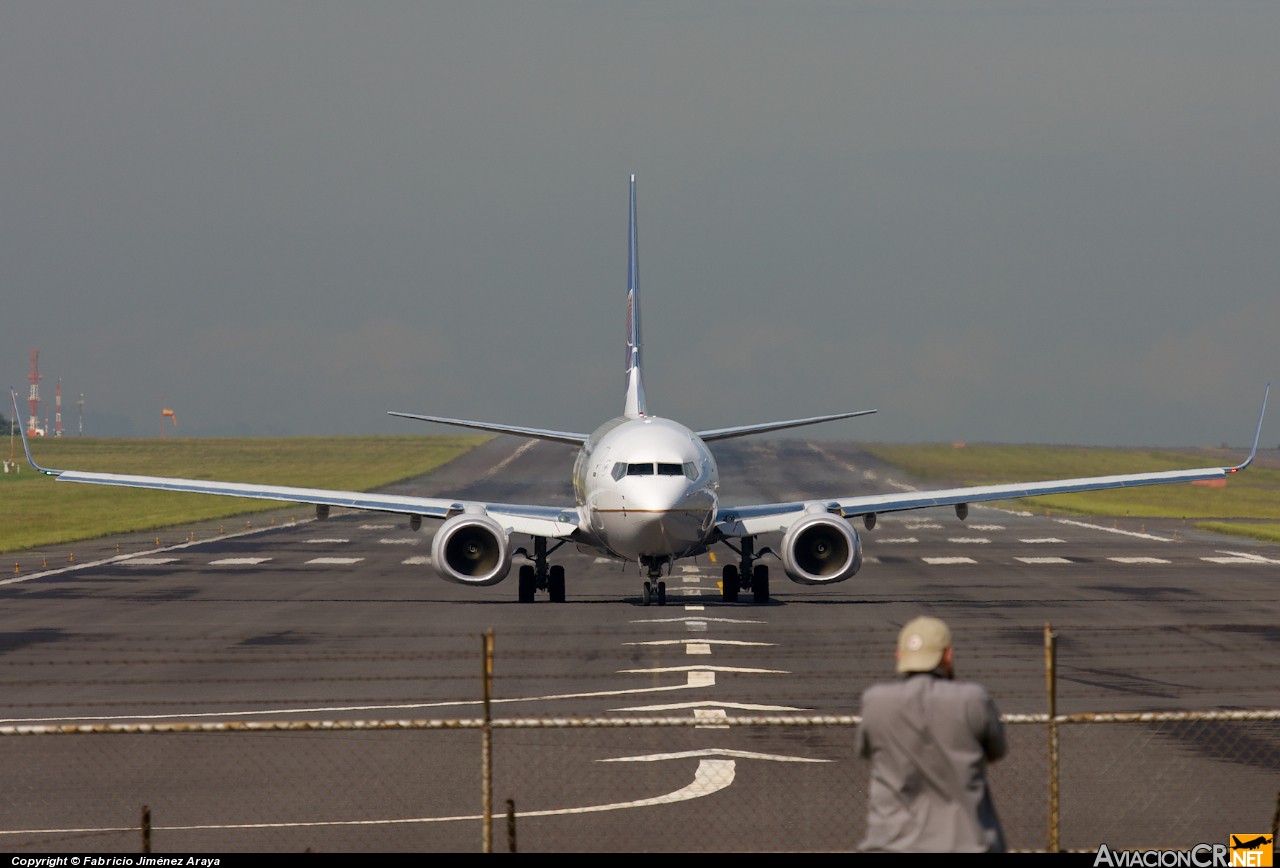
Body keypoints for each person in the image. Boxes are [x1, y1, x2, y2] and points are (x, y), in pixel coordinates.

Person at [856, 615, 1007, 853]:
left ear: (899, 655)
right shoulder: (972, 700)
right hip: (964, 843)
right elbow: (995, 754)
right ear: (948, 655)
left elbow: (866, 752)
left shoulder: (875, 702)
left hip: (892, 844)